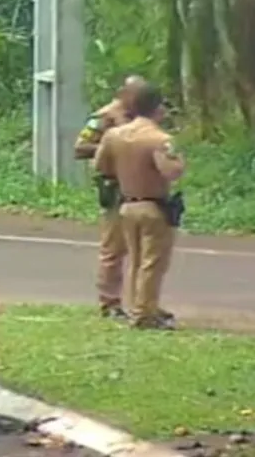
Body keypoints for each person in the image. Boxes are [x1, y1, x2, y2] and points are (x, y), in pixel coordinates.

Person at [94, 84, 185, 330]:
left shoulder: (115, 136)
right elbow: (171, 172)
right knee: (153, 262)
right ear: (158, 109)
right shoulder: (160, 139)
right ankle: (144, 312)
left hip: (126, 204)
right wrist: (178, 159)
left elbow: (101, 166)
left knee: (135, 260)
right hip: (153, 206)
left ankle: (139, 305)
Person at [74, 75, 146, 319]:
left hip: (139, 189)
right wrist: (112, 147)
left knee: (142, 250)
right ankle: (110, 302)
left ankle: (143, 303)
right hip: (115, 189)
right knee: (113, 250)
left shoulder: (140, 117)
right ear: (124, 93)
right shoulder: (106, 116)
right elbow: (80, 147)